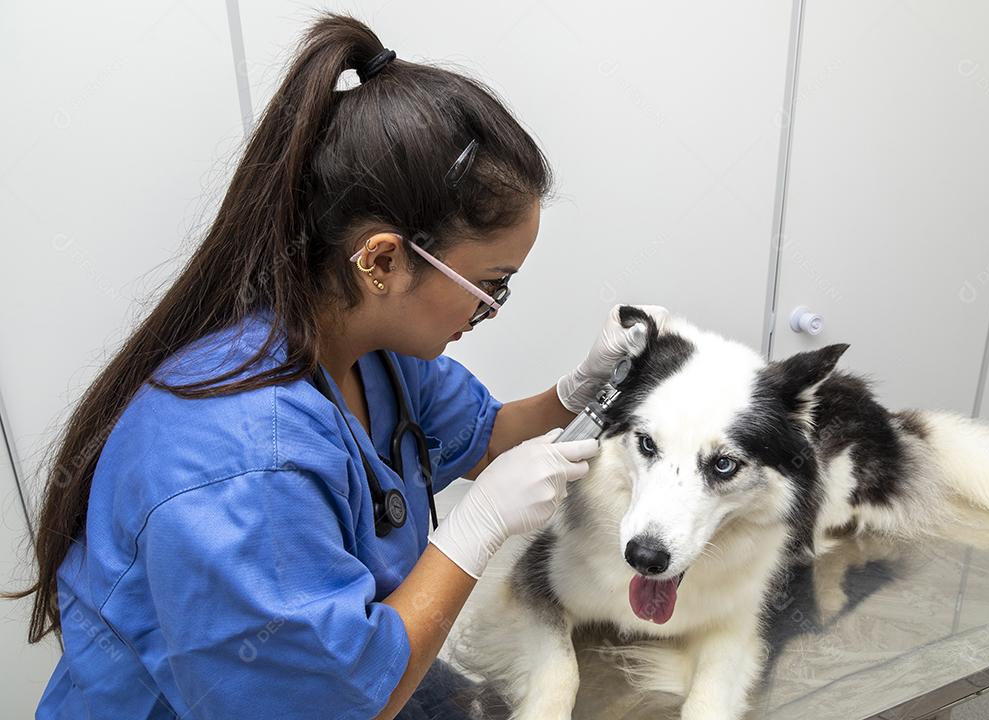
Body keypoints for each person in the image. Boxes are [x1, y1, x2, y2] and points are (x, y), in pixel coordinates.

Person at [12, 12, 668, 719]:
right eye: (490, 287)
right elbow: (337, 704)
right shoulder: (237, 469)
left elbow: (484, 439)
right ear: (383, 260)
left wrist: (578, 389)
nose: (493, 312)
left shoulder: (371, 353)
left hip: (358, 664)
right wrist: (476, 530)